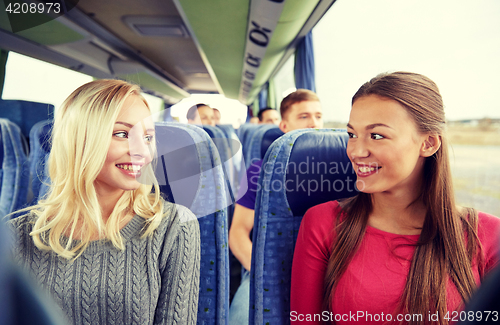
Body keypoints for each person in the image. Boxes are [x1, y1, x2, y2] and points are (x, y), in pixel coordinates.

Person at [290, 72, 500, 324]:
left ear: (429, 144)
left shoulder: (488, 236)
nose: (356, 151)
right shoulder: (323, 224)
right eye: (352, 134)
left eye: (377, 135)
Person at [8, 80, 200, 325]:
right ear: (80, 140)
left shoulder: (174, 226)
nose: (143, 151)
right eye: (122, 134)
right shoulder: (16, 234)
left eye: (148, 137)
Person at [228, 88, 323, 324]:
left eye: (318, 116)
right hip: (266, 269)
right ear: (284, 126)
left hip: (325, 274)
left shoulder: (342, 171)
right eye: (304, 117)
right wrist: (267, 273)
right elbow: (238, 233)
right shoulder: (259, 172)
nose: (314, 124)